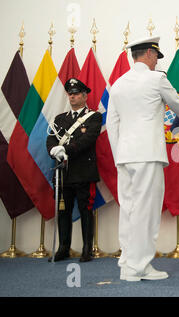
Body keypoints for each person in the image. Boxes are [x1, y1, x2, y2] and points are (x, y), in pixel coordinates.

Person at [106, 36, 179, 282]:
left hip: (125, 157)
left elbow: (112, 124)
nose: (157, 60)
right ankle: (139, 266)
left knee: (129, 210)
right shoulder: (157, 79)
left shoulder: (118, 84)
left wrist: (118, 155)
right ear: (147, 54)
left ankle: (127, 262)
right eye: (155, 55)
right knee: (147, 211)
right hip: (147, 155)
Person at [46, 78, 102, 263]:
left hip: (84, 172)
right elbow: (51, 139)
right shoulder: (59, 118)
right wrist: (54, 150)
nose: (72, 96)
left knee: (86, 210)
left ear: (85, 96)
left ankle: (87, 249)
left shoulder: (94, 117)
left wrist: (66, 149)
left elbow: (88, 140)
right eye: (70, 93)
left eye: (76, 93)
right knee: (64, 211)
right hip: (63, 173)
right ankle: (64, 247)